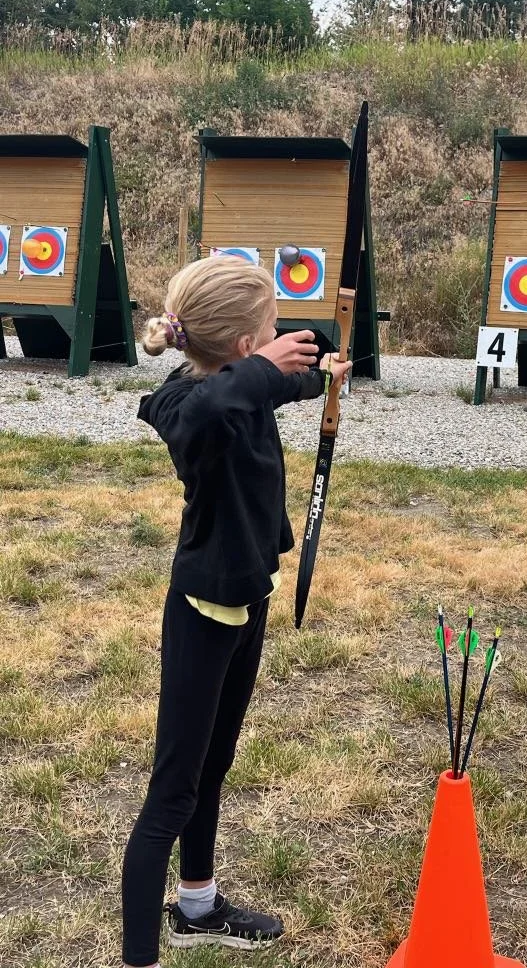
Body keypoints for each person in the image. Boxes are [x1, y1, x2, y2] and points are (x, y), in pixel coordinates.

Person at [121, 256, 351, 968]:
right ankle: (139, 958)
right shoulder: (189, 409)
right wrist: (263, 373)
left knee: (212, 765)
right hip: (201, 612)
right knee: (171, 793)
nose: (282, 337)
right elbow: (222, 404)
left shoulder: (234, 392)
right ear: (245, 349)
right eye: (272, 331)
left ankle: (198, 906)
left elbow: (260, 394)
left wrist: (320, 381)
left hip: (245, 600)